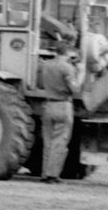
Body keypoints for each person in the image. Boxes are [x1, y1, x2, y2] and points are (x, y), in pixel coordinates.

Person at [31, 46, 83, 180]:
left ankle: (44, 173)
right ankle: (52, 175)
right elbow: (75, 89)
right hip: (63, 105)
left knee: (47, 142)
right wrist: (81, 73)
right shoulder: (67, 68)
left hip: (48, 105)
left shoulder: (46, 65)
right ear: (68, 53)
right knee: (60, 142)